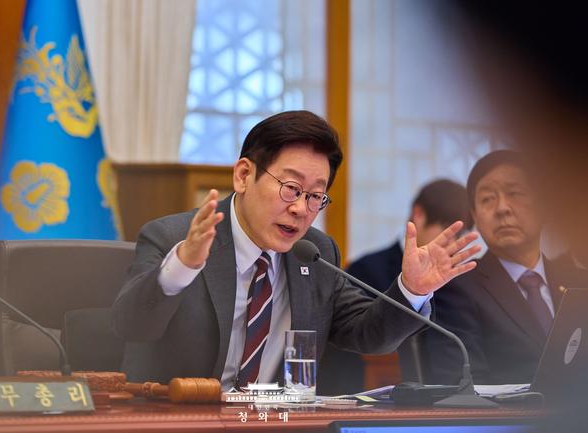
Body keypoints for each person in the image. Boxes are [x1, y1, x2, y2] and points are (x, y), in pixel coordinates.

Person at [112, 110, 480, 390]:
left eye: (316, 195)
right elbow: (131, 325)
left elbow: (367, 334)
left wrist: (412, 290)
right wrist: (183, 266)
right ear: (243, 176)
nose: (302, 209)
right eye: (291, 188)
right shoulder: (171, 238)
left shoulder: (315, 253)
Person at [426, 150, 578, 385]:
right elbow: (462, 388)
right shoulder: (457, 289)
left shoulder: (578, 282)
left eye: (515, 193)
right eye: (487, 199)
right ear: (475, 216)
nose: (502, 208)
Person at [318, 179, 472, 392]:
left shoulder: (460, 282)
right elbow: (352, 349)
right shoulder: (367, 269)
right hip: (379, 397)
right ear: (419, 214)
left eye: (460, 235)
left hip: (452, 397)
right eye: (447, 229)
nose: (453, 242)